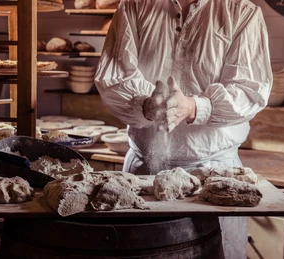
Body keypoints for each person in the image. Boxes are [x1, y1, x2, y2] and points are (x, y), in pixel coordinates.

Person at [95, 0, 272, 258]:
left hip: (215, 175)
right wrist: (147, 105)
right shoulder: (134, 5)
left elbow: (250, 91)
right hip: (144, 173)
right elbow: (115, 76)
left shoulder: (241, 11)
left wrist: (193, 107)